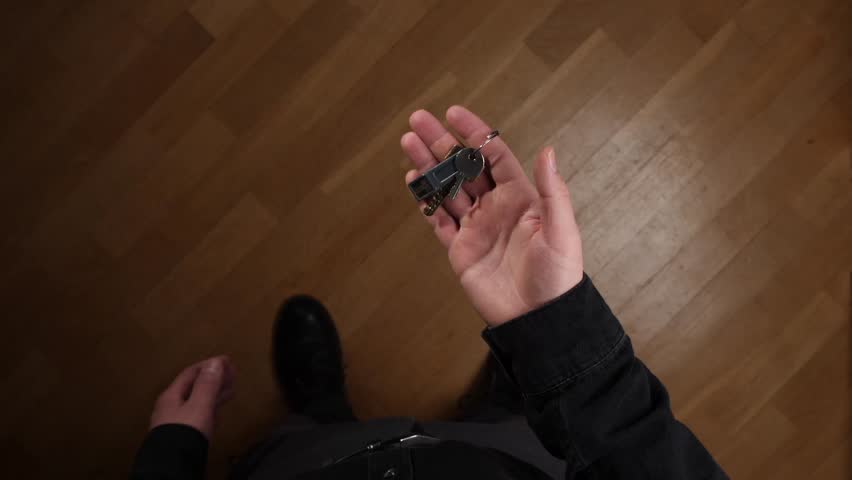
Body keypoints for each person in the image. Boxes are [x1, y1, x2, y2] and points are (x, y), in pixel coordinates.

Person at [130, 106, 727, 480]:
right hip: (514, 462)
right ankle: (512, 394)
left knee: (308, 441)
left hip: (306, 467)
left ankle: (321, 413)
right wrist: (552, 332)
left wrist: (171, 451)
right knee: (516, 421)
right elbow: (648, 460)